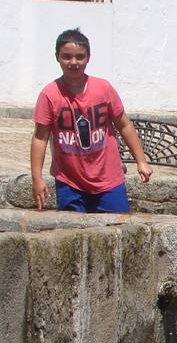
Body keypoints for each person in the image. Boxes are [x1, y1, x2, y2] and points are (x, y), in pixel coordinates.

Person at [31, 28, 153, 212]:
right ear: (57, 57)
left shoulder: (103, 89)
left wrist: (141, 160)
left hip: (108, 179)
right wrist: (37, 178)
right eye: (67, 56)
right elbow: (40, 138)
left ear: (88, 57)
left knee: (117, 232)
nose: (73, 62)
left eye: (80, 57)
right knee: (71, 236)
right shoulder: (50, 95)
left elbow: (124, 124)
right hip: (69, 181)